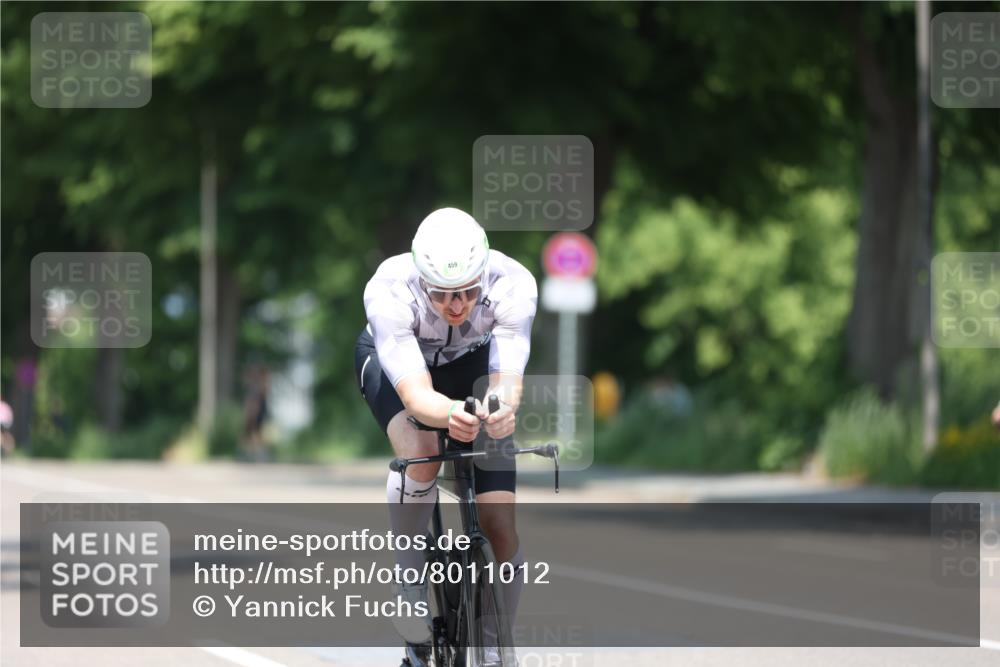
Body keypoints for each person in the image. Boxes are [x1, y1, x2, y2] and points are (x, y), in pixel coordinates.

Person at [354, 207, 537, 667]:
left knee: (500, 525)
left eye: (468, 292)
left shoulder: (514, 283)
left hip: (472, 363)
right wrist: (452, 411)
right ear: (421, 280)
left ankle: (496, 646)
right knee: (423, 449)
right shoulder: (388, 288)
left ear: (485, 272)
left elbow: (506, 378)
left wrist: (500, 410)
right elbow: (417, 396)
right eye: (441, 295)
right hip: (399, 364)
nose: (457, 305)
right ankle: (410, 587)